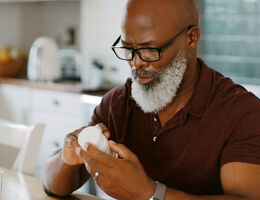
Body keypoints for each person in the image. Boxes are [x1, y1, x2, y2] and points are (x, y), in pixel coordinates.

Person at [42, 0, 260, 199]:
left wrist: (151, 193)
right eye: (128, 49)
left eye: (148, 50)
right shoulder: (118, 104)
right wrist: (66, 158)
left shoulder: (241, 113)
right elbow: (51, 185)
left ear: (191, 38)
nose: (136, 63)